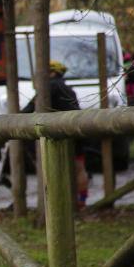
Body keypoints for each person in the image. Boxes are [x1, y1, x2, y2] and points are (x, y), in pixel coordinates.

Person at [21, 60, 90, 208]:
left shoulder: (50, 86)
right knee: (79, 167)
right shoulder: (67, 88)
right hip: (77, 131)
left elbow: (32, 105)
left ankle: (60, 203)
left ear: (51, 73)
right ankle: (82, 200)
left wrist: (17, 118)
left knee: (57, 169)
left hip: (62, 134)